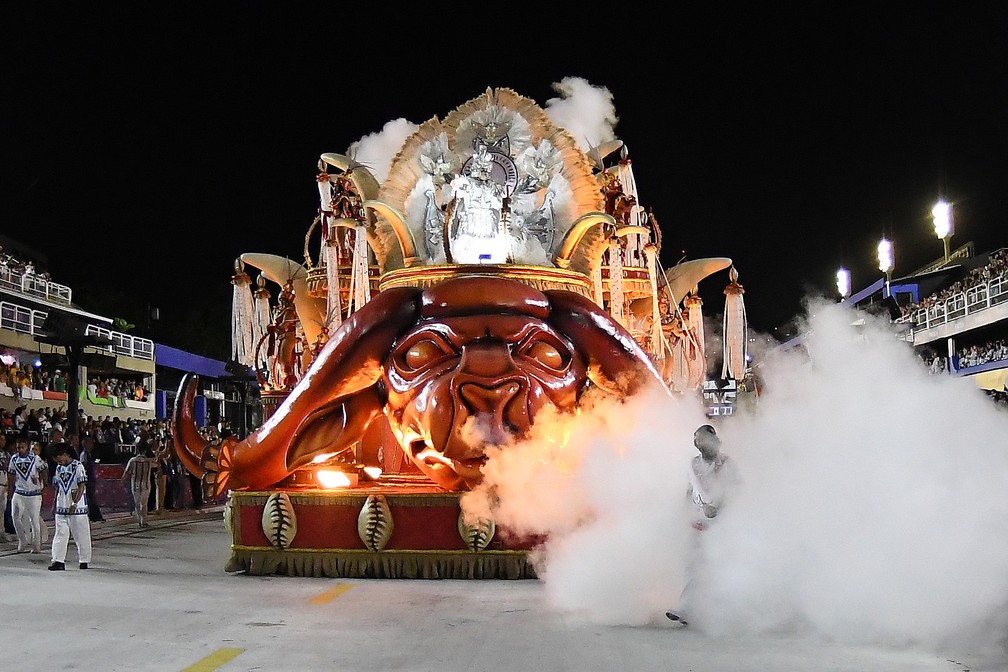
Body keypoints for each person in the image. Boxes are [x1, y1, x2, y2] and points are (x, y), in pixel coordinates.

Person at [666, 424, 739, 625]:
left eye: (703, 439)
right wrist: (684, 513)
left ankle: (721, 612)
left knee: (718, 568)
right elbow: (690, 491)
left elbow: (735, 490)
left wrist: (719, 507)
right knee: (693, 567)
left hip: (722, 525)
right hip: (698, 523)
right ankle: (687, 610)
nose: (700, 444)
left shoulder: (727, 464)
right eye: (697, 440)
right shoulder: (694, 464)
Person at [48, 443, 92, 570]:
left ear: (65, 454)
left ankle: (84, 559)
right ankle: (58, 560)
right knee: (60, 533)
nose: (59, 462)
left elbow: (81, 486)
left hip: (78, 508)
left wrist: (75, 503)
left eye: (59, 459)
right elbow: (58, 487)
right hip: (61, 506)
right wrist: (54, 503)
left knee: (81, 534)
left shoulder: (78, 467)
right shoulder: (58, 468)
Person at [7, 434, 47, 553]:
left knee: (34, 520)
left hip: (33, 493)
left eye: (22, 447)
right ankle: (22, 540)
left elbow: (44, 470)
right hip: (19, 492)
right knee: (15, 517)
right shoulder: (14, 458)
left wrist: (45, 484)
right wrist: (10, 488)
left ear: (27, 447)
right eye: (18, 447)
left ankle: (36, 544)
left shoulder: (35, 458)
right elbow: (10, 473)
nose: (20, 450)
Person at [123, 444, 155, 528]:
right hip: (146, 485)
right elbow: (158, 464)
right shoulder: (149, 461)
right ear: (145, 451)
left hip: (135, 485)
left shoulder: (132, 460)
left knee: (137, 503)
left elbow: (126, 472)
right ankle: (143, 521)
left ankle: (139, 521)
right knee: (144, 504)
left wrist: (122, 481)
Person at [79, 436, 106, 522]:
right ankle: (94, 515)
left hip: (91, 478)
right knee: (91, 498)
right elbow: (83, 466)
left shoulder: (88, 454)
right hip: (88, 479)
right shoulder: (84, 454)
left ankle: (93, 515)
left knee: (92, 498)